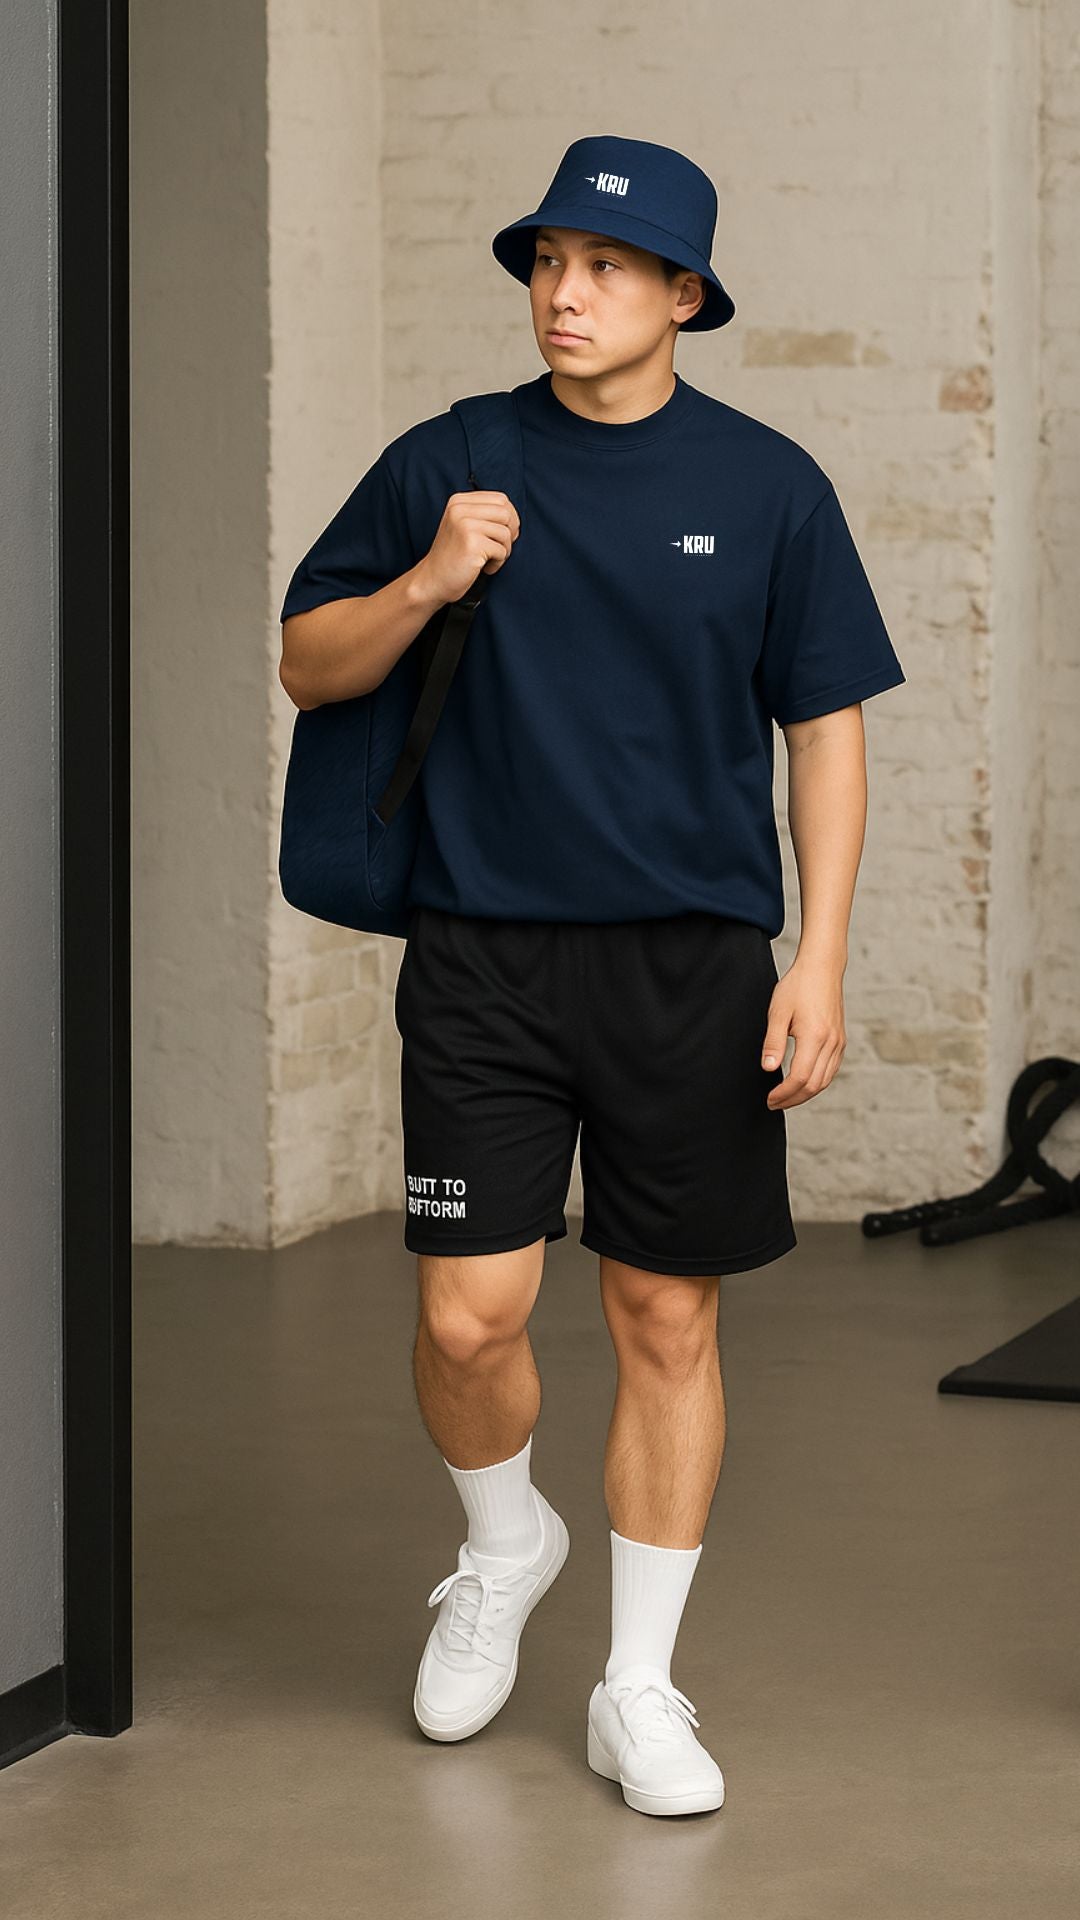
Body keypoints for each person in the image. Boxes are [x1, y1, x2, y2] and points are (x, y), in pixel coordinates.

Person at [278, 133, 905, 1819]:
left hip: (692, 963)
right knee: (469, 1313)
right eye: (550, 260)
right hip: (483, 952)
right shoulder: (451, 459)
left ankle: (640, 1688)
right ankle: (504, 1550)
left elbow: (825, 735)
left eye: (610, 267)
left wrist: (818, 957)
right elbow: (304, 660)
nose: (568, 292)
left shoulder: (770, 486)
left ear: (684, 294)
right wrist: (426, 575)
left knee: (661, 1317)